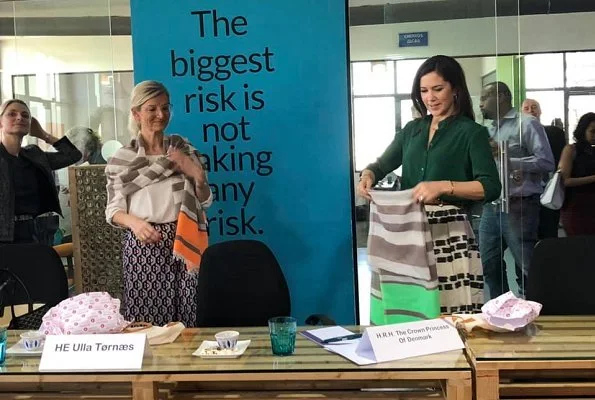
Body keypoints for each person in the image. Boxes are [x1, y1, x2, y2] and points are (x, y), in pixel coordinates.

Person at [358, 55, 501, 322]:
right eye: (424, 91)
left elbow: (490, 186)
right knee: (410, 309)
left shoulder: (471, 133)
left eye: (438, 89)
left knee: (448, 313)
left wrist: (443, 186)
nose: (430, 98)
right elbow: (381, 164)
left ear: (455, 89)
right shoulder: (413, 130)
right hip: (408, 231)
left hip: (449, 233)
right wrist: (368, 174)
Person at [105, 80, 212, 327]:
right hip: (145, 245)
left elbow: (205, 201)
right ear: (136, 113)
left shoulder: (184, 151)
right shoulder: (122, 158)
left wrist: (196, 174)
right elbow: (113, 211)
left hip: (185, 241)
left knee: (191, 317)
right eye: (152, 108)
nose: (160, 115)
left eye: (165, 107)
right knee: (149, 324)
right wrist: (134, 223)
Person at [479, 83, 554, 300]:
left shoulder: (527, 124)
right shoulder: (487, 130)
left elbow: (547, 162)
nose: (480, 102)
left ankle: (537, 310)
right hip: (491, 206)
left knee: (526, 264)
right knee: (489, 264)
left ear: (502, 96)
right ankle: (501, 309)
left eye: (485, 96)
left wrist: (509, 160)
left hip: (519, 205)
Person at [0, 99, 82, 244]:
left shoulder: (34, 155)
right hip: (5, 236)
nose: (19, 117)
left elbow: (73, 155)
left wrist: (44, 135)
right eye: (11, 114)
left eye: (25, 115)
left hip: (37, 233)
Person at [521, 98, 566, 239]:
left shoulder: (554, 134)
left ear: (540, 111)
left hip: (549, 191)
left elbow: (559, 161)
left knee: (549, 235)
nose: (531, 110)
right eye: (526, 108)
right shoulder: (517, 137)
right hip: (526, 194)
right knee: (527, 238)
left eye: (534, 107)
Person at [559, 112, 595, 236]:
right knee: (579, 246)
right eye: (592, 131)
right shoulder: (571, 150)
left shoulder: (592, 151)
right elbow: (565, 180)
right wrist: (593, 178)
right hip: (576, 206)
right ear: (583, 130)